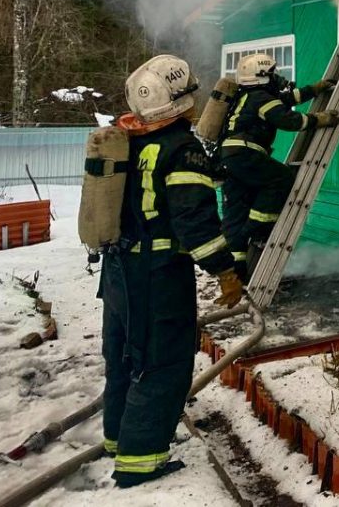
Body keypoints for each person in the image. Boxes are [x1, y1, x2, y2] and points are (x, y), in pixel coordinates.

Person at [102, 55, 243, 487]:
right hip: (157, 274)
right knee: (162, 362)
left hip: (118, 272)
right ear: (178, 101)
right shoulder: (181, 150)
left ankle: (119, 437)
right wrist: (225, 270)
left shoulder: (131, 140)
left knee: (124, 355)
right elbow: (194, 223)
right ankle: (140, 462)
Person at [217, 52, 337, 280]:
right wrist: (321, 119)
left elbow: (286, 100)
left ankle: (238, 276)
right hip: (245, 152)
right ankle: (257, 229)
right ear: (262, 76)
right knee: (281, 179)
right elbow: (289, 120)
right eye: (272, 73)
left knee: (235, 214)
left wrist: (314, 89)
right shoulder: (261, 98)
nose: (277, 78)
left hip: (228, 158)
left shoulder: (247, 96)